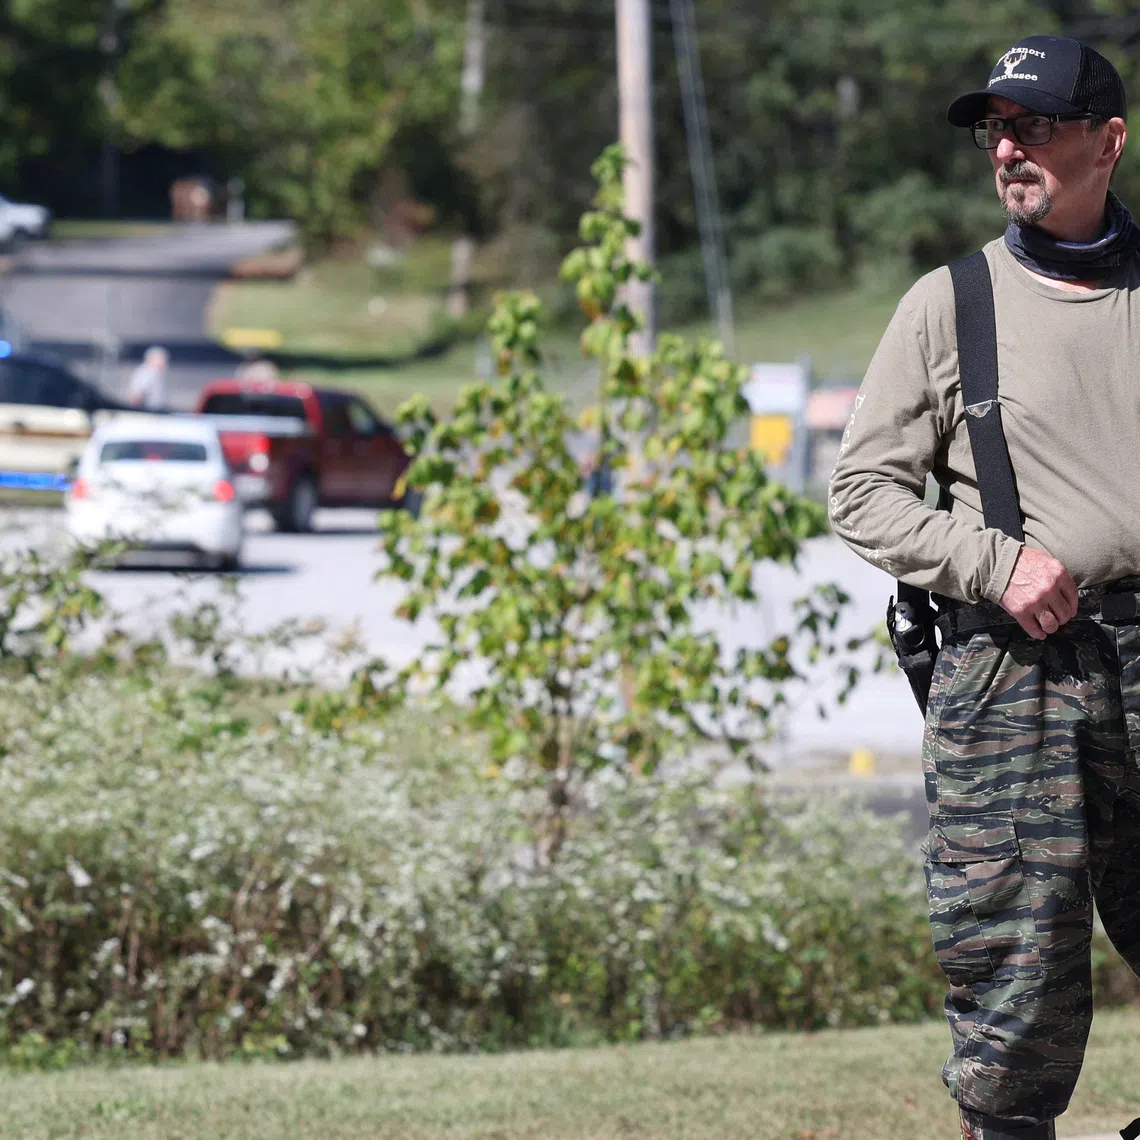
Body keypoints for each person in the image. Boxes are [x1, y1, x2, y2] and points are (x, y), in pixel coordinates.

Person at [829, 36, 1140, 1140]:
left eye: (1036, 124)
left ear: (1108, 140)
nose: (1009, 147)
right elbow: (861, 493)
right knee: (1016, 996)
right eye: (995, 128)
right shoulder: (946, 305)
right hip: (1014, 684)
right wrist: (999, 564)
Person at [126, 345, 169, 410]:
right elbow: (136, 397)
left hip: (156, 411)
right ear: (151, 359)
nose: (165, 363)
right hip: (148, 413)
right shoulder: (145, 374)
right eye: (162, 359)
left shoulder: (156, 373)